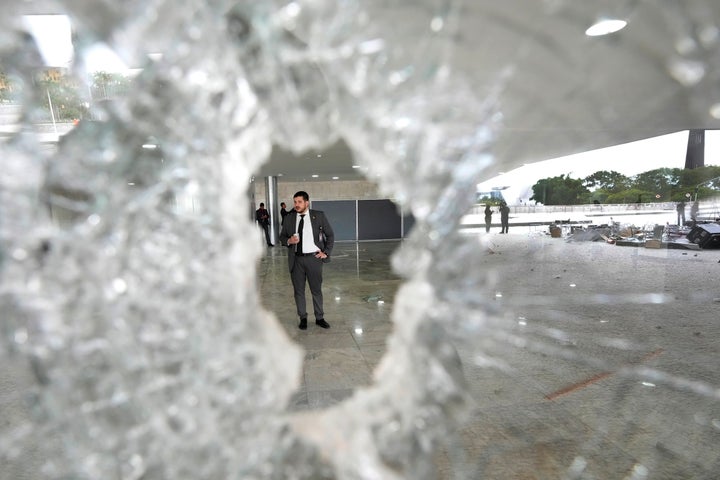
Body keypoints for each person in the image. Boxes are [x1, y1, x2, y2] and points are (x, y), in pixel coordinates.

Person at [279, 191, 335, 330]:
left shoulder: (319, 216)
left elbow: (330, 235)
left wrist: (326, 253)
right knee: (299, 291)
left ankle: (319, 317)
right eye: (295, 202)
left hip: (313, 259)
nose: (296, 205)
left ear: (306, 202)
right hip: (296, 260)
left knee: (316, 290)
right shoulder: (289, 218)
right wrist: (289, 240)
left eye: (299, 202)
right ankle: (303, 317)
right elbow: (282, 237)